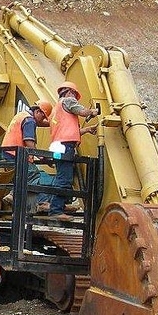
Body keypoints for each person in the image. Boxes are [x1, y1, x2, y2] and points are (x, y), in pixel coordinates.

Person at [48, 80, 97, 218]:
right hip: (65, 146)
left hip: (59, 146)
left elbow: (69, 132)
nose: (75, 98)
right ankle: (56, 210)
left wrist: (86, 130)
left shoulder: (56, 110)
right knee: (64, 179)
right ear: (70, 92)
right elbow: (81, 111)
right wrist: (92, 111)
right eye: (75, 95)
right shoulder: (68, 101)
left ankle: (60, 205)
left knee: (62, 176)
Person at [1, 101, 52, 213]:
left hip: (9, 151)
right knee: (33, 174)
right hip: (17, 153)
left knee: (21, 175)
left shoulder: (22, 115)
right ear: (38, 112)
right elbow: (29, 143)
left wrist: (53, 123)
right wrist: (43, 157)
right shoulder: (30, 121)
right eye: (43, 117)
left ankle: (13, 195)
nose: (42, 120)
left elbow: (40, 123)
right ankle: (41, 203)